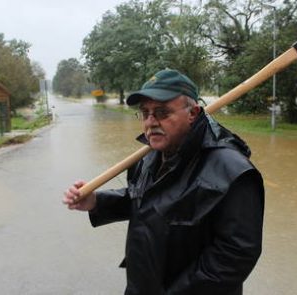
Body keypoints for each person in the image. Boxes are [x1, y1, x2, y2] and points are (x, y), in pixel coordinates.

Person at [63, 69, 264, 295]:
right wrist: (96, 201)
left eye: (161, 112)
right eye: (145, 113)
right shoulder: (149, 155)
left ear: (193, 113)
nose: (150, 122)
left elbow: (235, 256)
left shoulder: (232, 172)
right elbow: (144, 200)